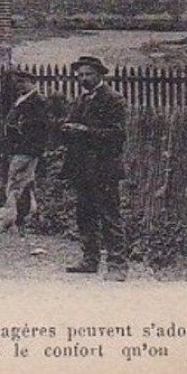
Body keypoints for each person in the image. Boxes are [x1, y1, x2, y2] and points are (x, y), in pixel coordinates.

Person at [59, 55, 128, 279]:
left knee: (109, 215)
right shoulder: (81, 99)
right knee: (84, 215)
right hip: (82, 167)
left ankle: (117, 266)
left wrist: (85, 131)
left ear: (100, 74)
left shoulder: (113, 99)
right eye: (79, 75)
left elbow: (117, 135)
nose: (83, 78)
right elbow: (72, 126)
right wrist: (66, 129)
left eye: (88, 74)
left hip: (104, 166)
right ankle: (90, 260)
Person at [1, 67, 48, 233]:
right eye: (18, 82)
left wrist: (22, 135)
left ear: (33, 83)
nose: (19, 85)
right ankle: (26, 218)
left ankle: (15, 220)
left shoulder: (37, 101)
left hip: (26, 149)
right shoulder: (20, 99)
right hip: (17, 149)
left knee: (17, 183)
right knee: (22, 182)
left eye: (23, 82)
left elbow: (38, 128)